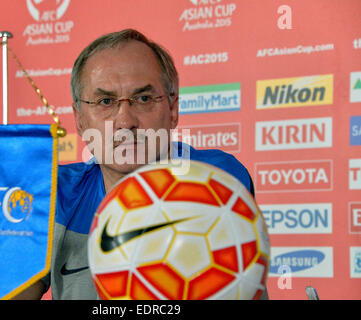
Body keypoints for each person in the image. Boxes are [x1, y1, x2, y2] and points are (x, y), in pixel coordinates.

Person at [14, 28, 262, 300]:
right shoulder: (52, 193)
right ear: (80, 120)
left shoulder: (217, 178)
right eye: (105, 101)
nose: (125, 121)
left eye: (143, 99)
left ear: (173, 108)